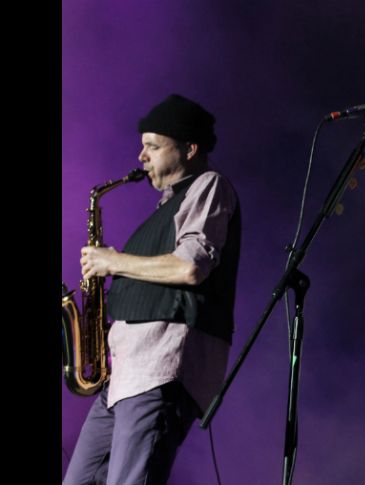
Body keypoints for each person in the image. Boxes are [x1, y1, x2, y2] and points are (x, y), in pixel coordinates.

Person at [63, 94, 241, 485]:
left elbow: (191, 266)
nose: (141, 157)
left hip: (159, 368)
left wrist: (113, 262)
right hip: (124, 375)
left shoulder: (209, 185)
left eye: (153, 146)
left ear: (189, 148)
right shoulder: (167, 206)